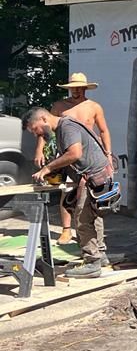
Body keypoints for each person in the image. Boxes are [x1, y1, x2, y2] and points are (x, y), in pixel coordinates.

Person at [24, 106, 111, 278]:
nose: (37, 135)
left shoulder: (66, 127)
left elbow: (74, 154)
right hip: (93, 175)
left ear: (44, 120)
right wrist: (56, 173)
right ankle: (100, 256)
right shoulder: (62, 129)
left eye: (35, 130)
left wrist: (48, 168)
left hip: (93, 176)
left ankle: (92, 262)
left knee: (82, 219)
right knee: (91, 216)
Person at [33, 72, 111, 246]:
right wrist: (40, 150)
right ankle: (66, 229)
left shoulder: (94, 107)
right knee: (67, 191)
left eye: (79, 87)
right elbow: (45, 131)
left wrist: (107, 153)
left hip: (88, 156)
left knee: (93, 197)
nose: (76, 90)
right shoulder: (60, 107)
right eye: (73, 88)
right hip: (68, 155)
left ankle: (96, 244)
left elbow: (104, 130)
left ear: (84, 88)